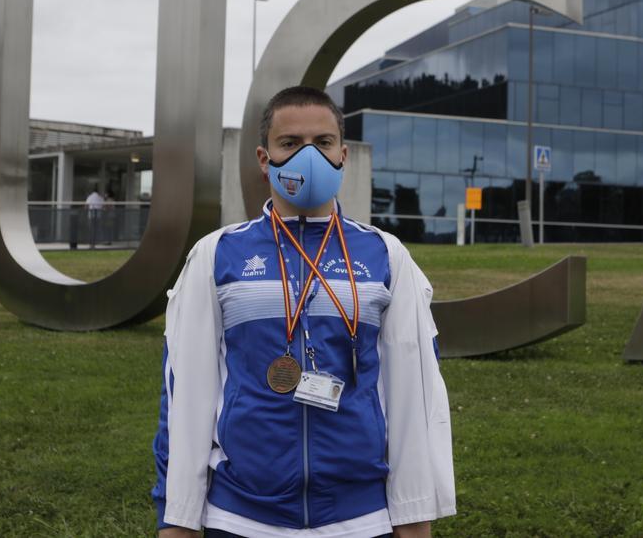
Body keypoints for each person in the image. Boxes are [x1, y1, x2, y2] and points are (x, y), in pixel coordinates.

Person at [151, 86, 454, 538]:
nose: (307, 156)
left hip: (360, 519)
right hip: (240, 517)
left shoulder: (385, 256)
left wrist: (413, 518)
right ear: (263, 157)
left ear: (342, 154)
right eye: (290, 144)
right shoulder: (217, 254)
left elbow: (416, 394)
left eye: (323, 143)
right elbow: (185, 396)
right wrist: (179, 518)